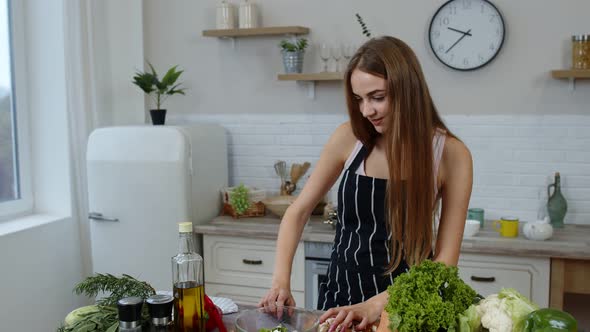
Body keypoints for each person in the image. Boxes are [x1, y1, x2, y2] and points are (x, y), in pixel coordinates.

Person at [259, 36, 473, 331]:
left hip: (402, 309)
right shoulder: (349, 138)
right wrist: (280, 282)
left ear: (407, 89)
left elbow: (445, 263)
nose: (366, 111)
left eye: (377, 97)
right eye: (359, 100)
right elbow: (298, 212)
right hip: (340, 301)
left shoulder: (450, 154)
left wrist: (374, 306)